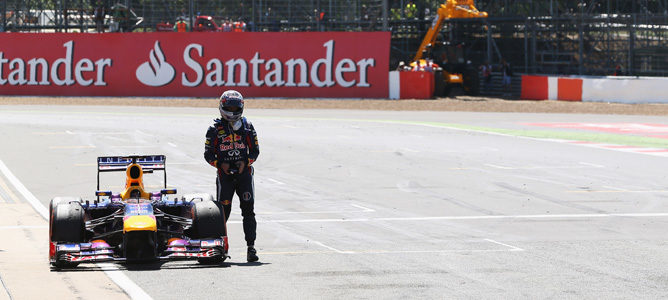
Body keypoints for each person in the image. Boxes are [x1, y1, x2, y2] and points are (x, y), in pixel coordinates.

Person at [204, 90, 260, 262]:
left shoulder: (248, 126)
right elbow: (208, 154)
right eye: (229, 106)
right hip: (225, 177)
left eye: (235, 107)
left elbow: (255, 151)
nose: (232, 110)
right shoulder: (214, 129)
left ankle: (251, 247)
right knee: (222, 211)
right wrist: (221, 165)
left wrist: (246, 162)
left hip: (244, 176)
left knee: (248, 210)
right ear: (222, 106)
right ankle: (219, 245)